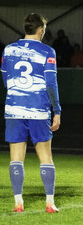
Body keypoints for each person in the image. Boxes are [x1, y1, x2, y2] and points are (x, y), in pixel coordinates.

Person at [2, 13, 61, 213]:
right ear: (41, 30)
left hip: (14, 109)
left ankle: (18, 202)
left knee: (16, 158)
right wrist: (57, 110)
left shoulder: (9, 50)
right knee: (45, 156)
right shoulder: (47, 51)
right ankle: (49, 203)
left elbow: (5, 79)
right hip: (38, 109)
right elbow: (51, 84)